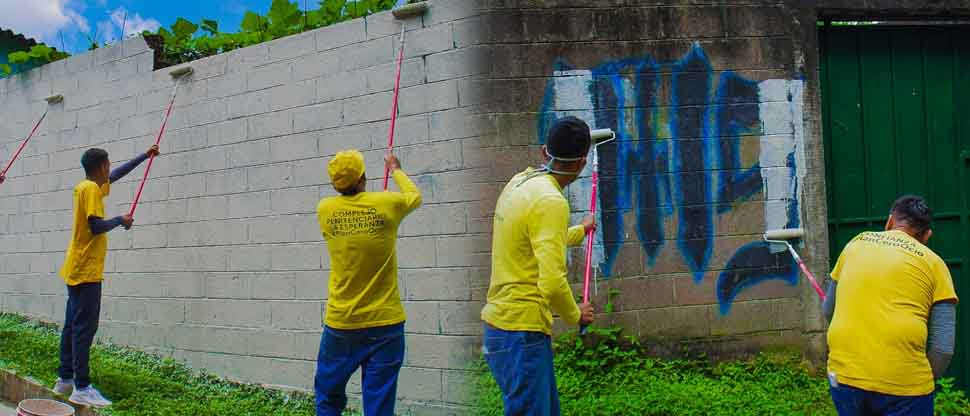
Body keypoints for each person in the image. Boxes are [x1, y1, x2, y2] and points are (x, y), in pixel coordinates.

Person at [481, 116, 597, 416]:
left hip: (502, 329)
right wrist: (576, 314)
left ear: (544, 152)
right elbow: (552, 283)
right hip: (521, 334)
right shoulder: (552, 201)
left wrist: (580, 231)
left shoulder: (520, 181)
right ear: (582, 164)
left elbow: (532, 236)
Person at [824, 195, 958, 416]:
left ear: (889, 222)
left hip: (844, 377)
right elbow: (943, 348)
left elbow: (828, 309)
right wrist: (922, 380)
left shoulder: (855, 244)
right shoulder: (934, 263)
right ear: (926, 236)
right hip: (905, 389)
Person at [314, 150, 422, 416]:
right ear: (363, 176)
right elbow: (414, 197)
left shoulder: (325, 210)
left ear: (334, 184)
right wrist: (395, 168)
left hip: (342, 323)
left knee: (328, 395)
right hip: (386, 324)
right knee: (379, 404)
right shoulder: (387, 203)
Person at [54, 145, 160, 407]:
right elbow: (95, 226)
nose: (110, 169)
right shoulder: (91, 190)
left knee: (71, 326)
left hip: (75, 267)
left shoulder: (85, 186)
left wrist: (145, 156)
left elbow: (116, 176)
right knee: (84, 329)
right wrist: (119, 220)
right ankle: (82, 386)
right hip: (87, 270)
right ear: (101, 166)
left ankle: (65, 379)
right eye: (108, 164)